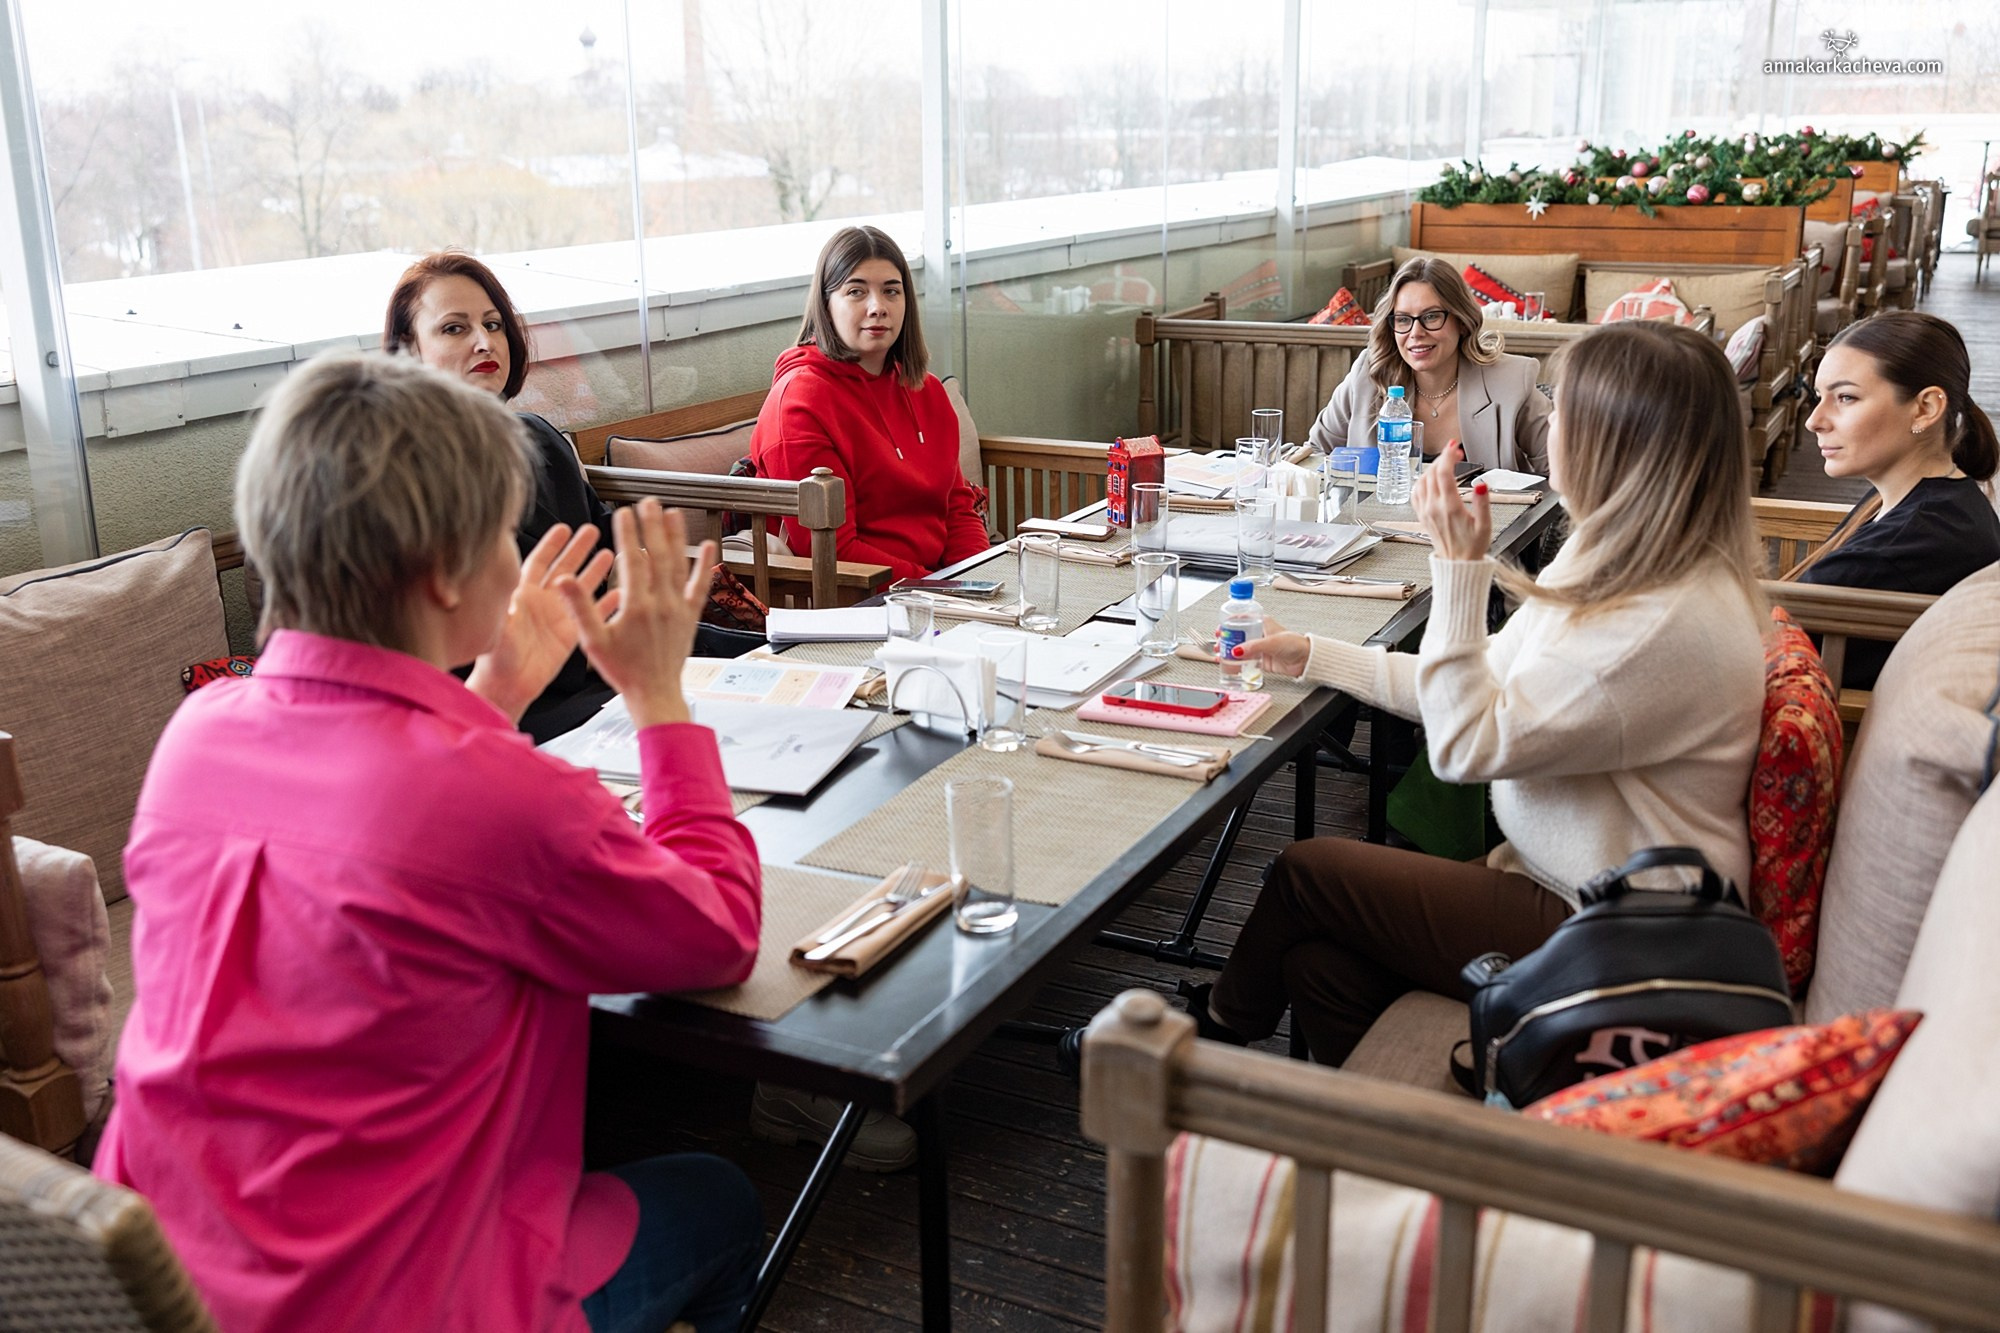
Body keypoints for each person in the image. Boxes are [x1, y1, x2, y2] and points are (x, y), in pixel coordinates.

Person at [96, 351, 766, 1333]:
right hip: (399, 1302)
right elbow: (717, 932)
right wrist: (660, 698)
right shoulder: (496, 795)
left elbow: (381, 817)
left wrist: (493, 695)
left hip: (165, 1289)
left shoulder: (199, 732)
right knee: (721, 1198)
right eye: (502, 531)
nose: (517, 552)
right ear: (447, 573)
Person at [1199, 321, 1767, 1066]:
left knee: (1306, 874)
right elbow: (1477, 680)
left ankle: (1198, 1045)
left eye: (1561, 408)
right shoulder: (1635, 564)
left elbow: (1466, 742)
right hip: (1561, 884)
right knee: (1318, 966)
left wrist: (1459, 571)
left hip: (1614, 923)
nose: (1549, 423)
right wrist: (1310, 653)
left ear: (1615, 441)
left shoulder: (1653, 622)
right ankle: (1388, 1136)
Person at [750, 225, 989, 585]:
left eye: (891, 291)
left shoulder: (927, 390)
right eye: (856, 292)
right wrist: (936, 589)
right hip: (854, 598)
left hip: (938, 586)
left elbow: (957, 508)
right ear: (826, 305)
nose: (878, 307)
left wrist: (979, 577)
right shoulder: (799, 404)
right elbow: (832, 548)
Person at [1786, 310, 2000, 690]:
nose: (1814, 420)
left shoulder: (1911, 543)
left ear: (1926, 408)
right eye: (1820, 397)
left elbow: (1759, 648)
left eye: (1846, 397)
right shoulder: (1937, 496)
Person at [1306, 257, 1552, 476]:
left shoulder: (1510, 381)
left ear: (1462, 322)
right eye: (1403, 319)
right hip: (1376, 525)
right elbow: (1316, 453)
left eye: (1431, 316)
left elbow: (1565, 470)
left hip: (1483, 525)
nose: (1416, 333)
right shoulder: (1368, 374)